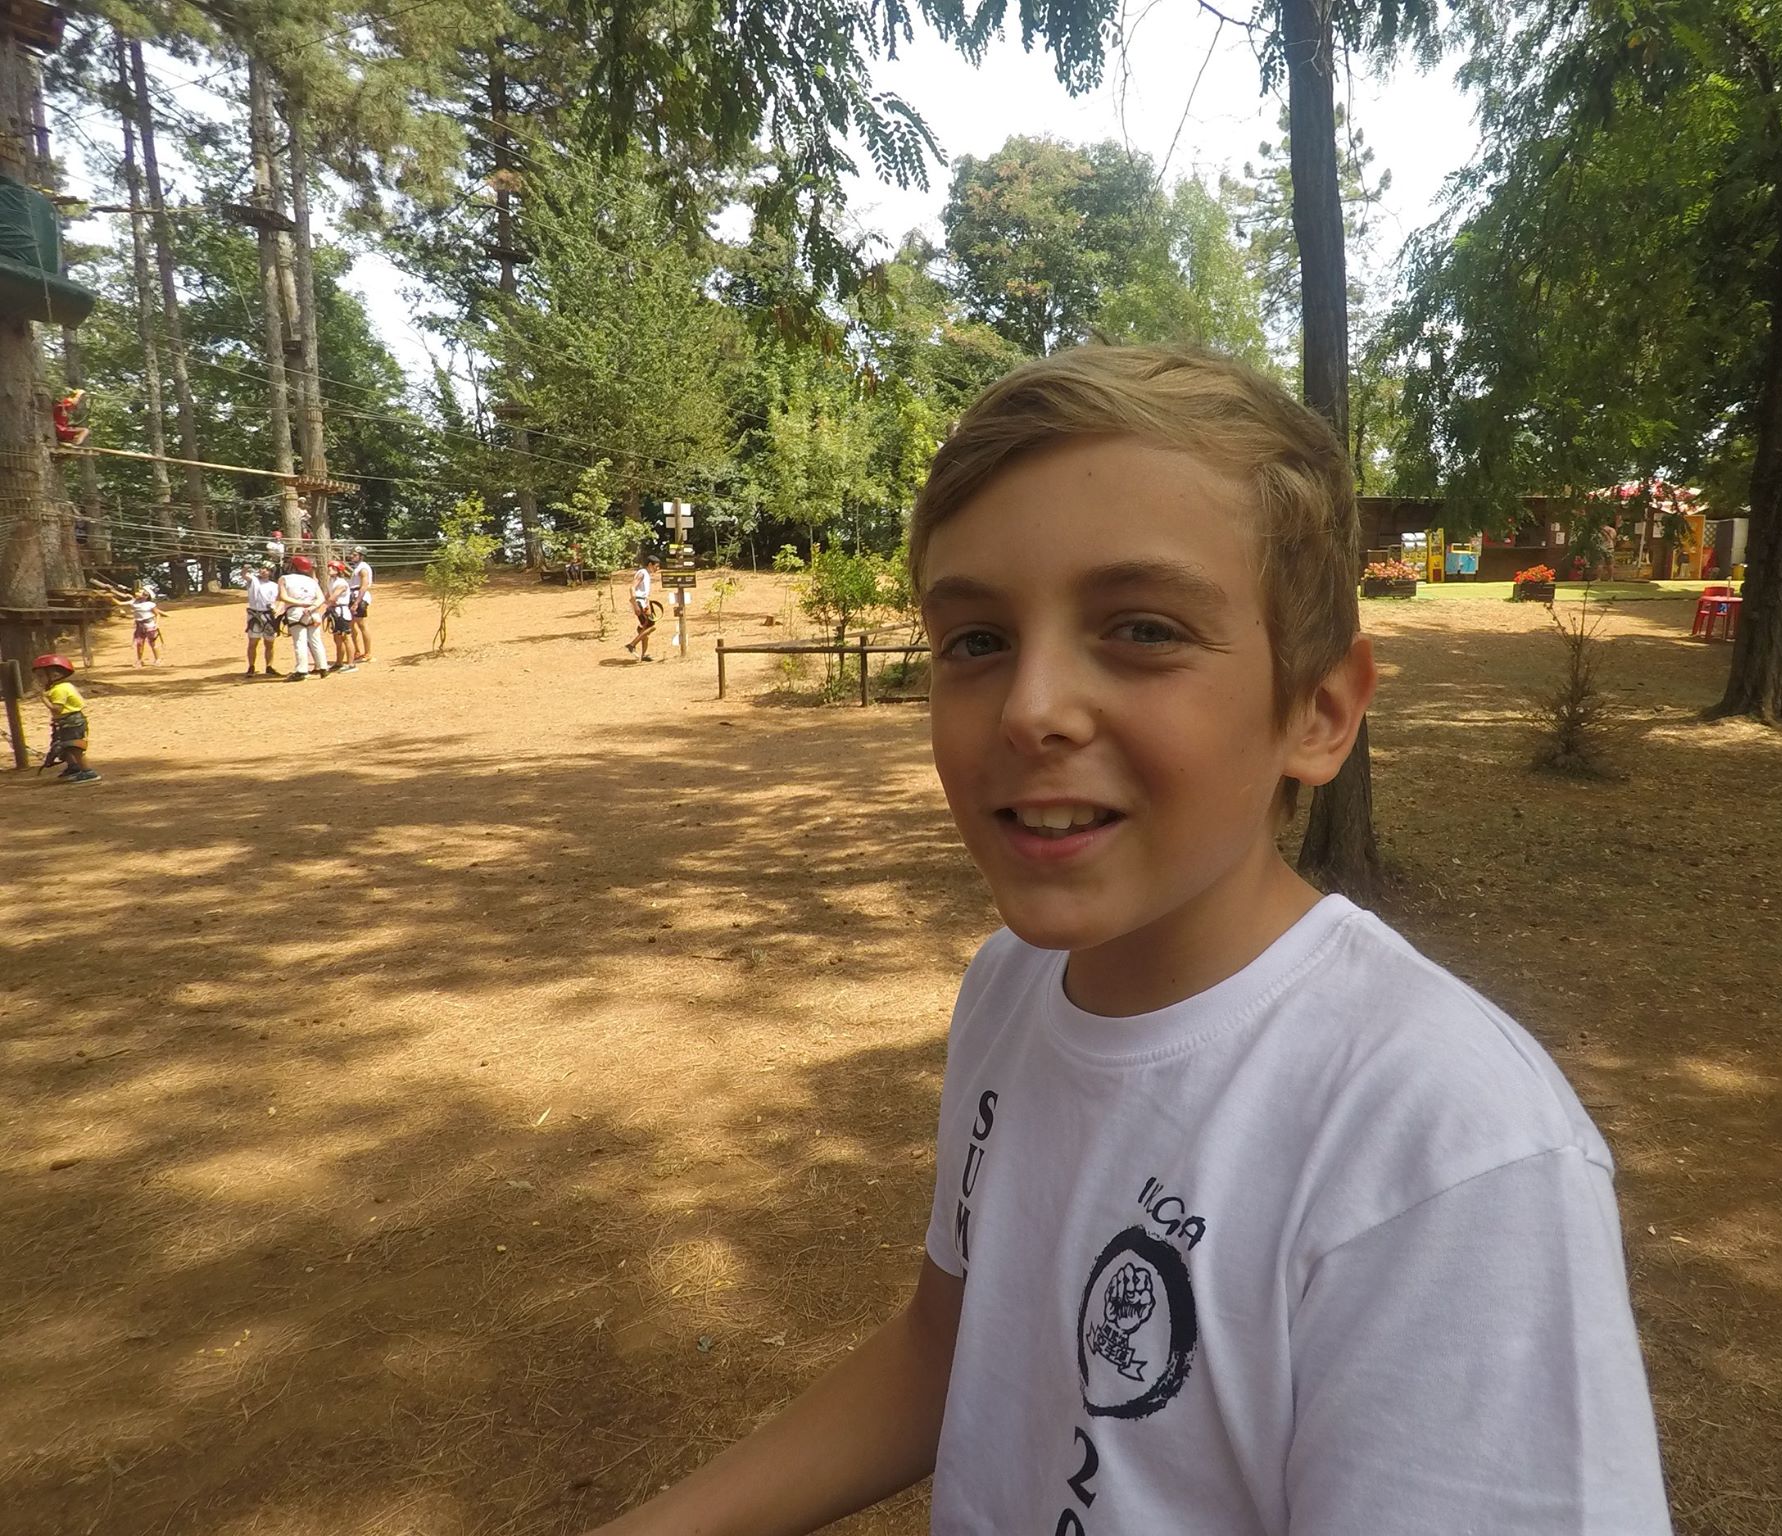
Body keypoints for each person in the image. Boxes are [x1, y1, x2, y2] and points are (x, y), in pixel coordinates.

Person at [582, 348, 1670, 1536]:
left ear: (1318, 712)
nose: (1030, 709)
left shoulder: (1445, 1150)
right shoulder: (1010, 989)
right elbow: (947, 1346)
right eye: (975, 641)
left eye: (1142, 628)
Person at [32, 653, 98, 784]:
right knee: (63, 746)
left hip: (71, 722)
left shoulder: (59, 690)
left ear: (55, 675)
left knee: (74, 747)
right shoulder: (61, 687)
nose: (38, 679)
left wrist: (44, 699)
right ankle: (74, 767)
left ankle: (88, 772)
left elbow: (56, 709)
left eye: (41, 676)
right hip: (66, 722)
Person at [277, 554, 328, 681]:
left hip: (296, 611)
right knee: (315, 640)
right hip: (313, 611)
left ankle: (302, 670)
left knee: (300, 641)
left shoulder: (284, 578)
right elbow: (321, 598)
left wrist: (300, 603)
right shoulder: (311, 581)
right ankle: (323, 667)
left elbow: (283, 597)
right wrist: (312, 606)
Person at [244, 564, 282, 678]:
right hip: (255, 614)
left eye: (267, 569)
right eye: (262, 568)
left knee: (269, 643)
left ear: (271, 572)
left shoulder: (274, 586)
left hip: (268, 615)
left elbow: (280, 599)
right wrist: (245, 568)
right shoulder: (253, 581)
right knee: (253, 642)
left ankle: (269, 666)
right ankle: (251, 667)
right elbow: (244, 575)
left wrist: (277, 609)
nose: (263, 571)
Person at [626, 554, 661, 661]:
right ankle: (632, 645)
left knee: (645, 628)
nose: (657, 568)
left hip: (643, 602)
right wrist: (635, 605)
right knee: (651, 626)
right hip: (639, 602)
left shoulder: (646, 574)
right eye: (656, 566)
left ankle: (644, 655)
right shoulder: (642, 573)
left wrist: (647, 604)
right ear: (650, 565)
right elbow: (632, 588)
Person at [325, 560, 358, 671]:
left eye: (333, 568)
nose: (329, 569)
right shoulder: (331, 582)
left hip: (341, 612)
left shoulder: (341, 583)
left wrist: (328, 602)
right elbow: (327, 597)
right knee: (337, 638)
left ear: (338, 571)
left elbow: (331, 598)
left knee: (346, 637)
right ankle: (339, 662)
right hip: (335, 611)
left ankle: (351, 664)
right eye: (329, 567)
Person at [127, 584, 165, 666]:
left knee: (152, 643)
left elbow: (157, 614)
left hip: (149, 625)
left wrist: (156, 624)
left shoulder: (150, 604)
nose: (137, 593)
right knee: (139, 643)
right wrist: (111, 598)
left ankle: (158, 659)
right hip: (139, 626)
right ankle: (139, 660)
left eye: (139, 592)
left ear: (146, 595)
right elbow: (119, 603)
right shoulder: (134, 602)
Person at [348, 548, 374, 662]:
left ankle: (368, 653)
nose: (351, 556)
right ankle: (357, 651)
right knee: (351, 625)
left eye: (354, 555)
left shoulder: (363, 568)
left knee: (362, 625)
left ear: (361, 556)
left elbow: (364, 586)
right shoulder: (356, 567)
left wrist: (357, 601)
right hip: (352, 594)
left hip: (359, 596)